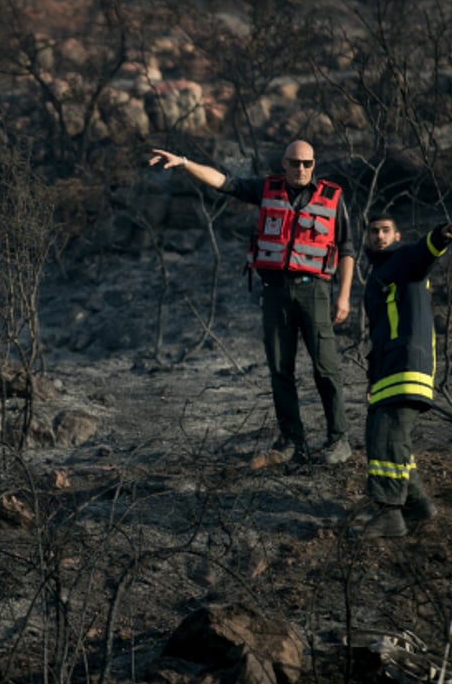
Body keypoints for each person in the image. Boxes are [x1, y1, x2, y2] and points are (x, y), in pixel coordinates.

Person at [147, 141, 355, 465]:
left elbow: (346, 248)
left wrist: (343, 296)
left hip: (313, 290)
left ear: (314, 164)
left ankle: (338, 439)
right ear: (283, 164)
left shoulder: (332, 197)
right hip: (274, 292)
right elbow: (223, 182)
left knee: (325, 367)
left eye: (308, 163)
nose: (301, 169)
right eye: (295, 163)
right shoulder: (266, 189)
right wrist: (184, 161)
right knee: (279, 369)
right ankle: (291, 441)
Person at [357, 213, 452, 539]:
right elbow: (380, 333)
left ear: (397, 235)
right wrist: (373, 380)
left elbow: (423, 254)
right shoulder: (381, 273)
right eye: (373, 231)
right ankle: (417, 504)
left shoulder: (403, 260)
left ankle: (390, 513)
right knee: (385, 435)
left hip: (406, 364)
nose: (379, 236)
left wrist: (440, 235)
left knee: (387, 437)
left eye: (386, 230)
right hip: (389, 368)